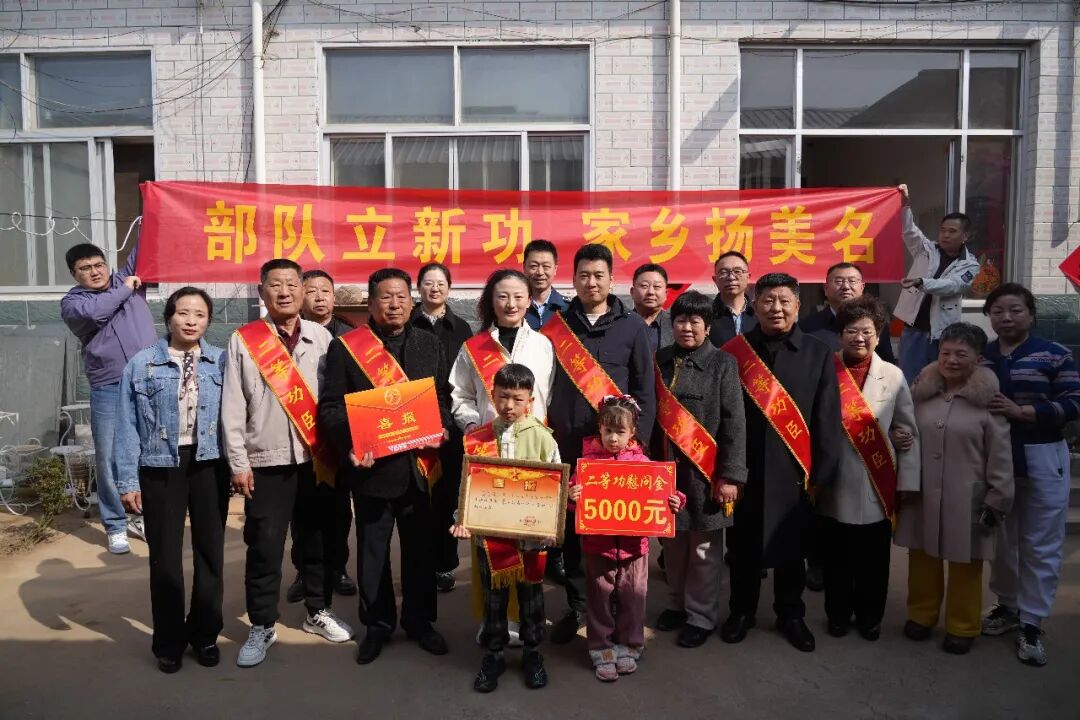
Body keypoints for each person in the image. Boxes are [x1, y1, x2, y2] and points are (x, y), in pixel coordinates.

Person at [318, 268, 453, 665]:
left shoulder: (429, 344)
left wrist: (442, 428)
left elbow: (441, 397)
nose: (394, 304)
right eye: (385, 297)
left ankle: (419, 621)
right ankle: (377, 625)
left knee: (420, 552)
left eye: (401, 297)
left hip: (419, 468)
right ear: (371, 303)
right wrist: (352, 444)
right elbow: (331, 407)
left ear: (411, 301)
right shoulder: (346, 348)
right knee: (373, 553)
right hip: (372, 470)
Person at [222, 259, 351, 668]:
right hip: (266, 461)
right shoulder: (245, 341)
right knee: (264, 545)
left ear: (302, 290)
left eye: (292, 284)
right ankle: (262, 624)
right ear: (262, 291)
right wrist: (238, 462)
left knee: (317, 542)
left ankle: (317, 610)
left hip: (317, 460)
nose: (285, 292)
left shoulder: (322, 337)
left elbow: (335, 399)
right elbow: (232, 406)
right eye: (275, 285)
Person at [719, 273, 841, 653]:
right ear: (754, 306)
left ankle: (791, 614)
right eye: (768, 300)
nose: (776, 308)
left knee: (793, 550)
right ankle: (741, 611)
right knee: (742, 548)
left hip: (795, 472)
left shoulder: (818, 352)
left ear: (798, 306)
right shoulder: (734, 351)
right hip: (746, 469)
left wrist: (823, 474)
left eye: (784, 301)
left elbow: (826, 417)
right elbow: (722, 416)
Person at [544, 243, 657, 644]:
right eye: (584, 275)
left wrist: (638, 446)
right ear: (573, 279)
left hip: (615, 451)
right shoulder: (556, 326)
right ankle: (579, 606)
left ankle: (621, 608)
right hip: (568, 446)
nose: (591, 282)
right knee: (575, 530)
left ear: (612, 279)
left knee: (618, 532)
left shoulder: (632, 327)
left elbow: (645, 389)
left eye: (599, 275)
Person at [114, 287, 229, 673]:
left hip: (209, 463)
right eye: (183, 313)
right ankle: (168, 641)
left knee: (210, 553)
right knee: (165, 558)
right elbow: (126, 425)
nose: (191, 321)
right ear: (169, 318)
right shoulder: (142, 363)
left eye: (200, 314)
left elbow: (236, 416)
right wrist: (128, 480)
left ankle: (205, 635)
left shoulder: (221, 361)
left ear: (208, 321)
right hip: (160, 465)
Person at [896, 322, 1013, 655]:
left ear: (977, 358)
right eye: (945, 352)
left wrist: (998, 498)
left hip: (968, 497)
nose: (951, 360)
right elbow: (903, 428)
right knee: (921, 558)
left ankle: (962, 626)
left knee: (966, 563)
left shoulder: (989, 401)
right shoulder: (920, 393)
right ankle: (921, 615)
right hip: (921, 493)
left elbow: (1000, 455)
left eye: (961, 354)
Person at [979, 284, 1080, 666]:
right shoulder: (983, 356)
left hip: (1042, 454)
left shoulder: (1055, 354)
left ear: (1031, 314)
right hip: (995, 458)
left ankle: (1032, 621)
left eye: (1015, 310)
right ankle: (1007, 606)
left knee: (1041, 542)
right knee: (1001, 541)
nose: (1006, 317)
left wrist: (1025, 413)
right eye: (998, 311)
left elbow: (1074, 402)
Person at [816, 295, 920, 643]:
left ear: (878, 335)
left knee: (874, 560)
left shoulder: (893, 375)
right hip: (834, 483)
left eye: (867, 332)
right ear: (840, 334)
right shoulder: (824, 370)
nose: (859, 338)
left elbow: (907, 429)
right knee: (836, 558)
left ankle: (870, 617)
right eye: (851, 331)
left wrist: (907, 482)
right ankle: (838, 614)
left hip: (877, 481)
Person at [449, 363, 559, 693]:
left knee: (532, 599)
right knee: (494, 600)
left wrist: (551, 525)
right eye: (502, 397)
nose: (509, 405)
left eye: (517, 399)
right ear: (492, 396)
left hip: (530, 538)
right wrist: (462, 519)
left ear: (530, 401)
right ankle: (494, 654)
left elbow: (555, 483)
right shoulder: (479, 438)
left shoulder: (542, 437)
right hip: (491, 536)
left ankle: (532, 653)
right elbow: (468, 482)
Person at [653, 290, 747, 648]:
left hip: (706, 474)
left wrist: (731, 476)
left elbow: (734, 423)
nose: (687, 327)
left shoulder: (723, 364)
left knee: (705, 552)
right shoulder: (660, 359)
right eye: (680, 320)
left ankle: (701, 616)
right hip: (666, 472)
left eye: (695, 321)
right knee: (673, 548)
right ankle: (677, 604)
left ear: (708, 327)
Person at [567, 396, 684, 681]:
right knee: (599, 597)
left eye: (620, 432)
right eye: (608, 431)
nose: (613, 438)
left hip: (635, 547)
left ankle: (630, 644)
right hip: (598, 546)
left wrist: (676, 501)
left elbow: (664, 492)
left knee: (633, 597)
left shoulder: (643, 464)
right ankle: (601, 647)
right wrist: (571, 496)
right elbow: (573, 503)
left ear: (632, 433)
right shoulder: (587, 465)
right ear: (599, 428)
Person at [61, 242, 156, 554]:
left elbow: (148, 244)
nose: (95, 272)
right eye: (85, 268)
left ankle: (141, 515)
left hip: (149, 380)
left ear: (107, 263)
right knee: (109, 456)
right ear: (74, 275)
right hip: (108, 386)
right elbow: (97, 312)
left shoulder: (129, 277)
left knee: (149, 451)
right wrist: (127, 288)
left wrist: (151, 212)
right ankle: (115, 524)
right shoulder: (73, 303)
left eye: (99, 264)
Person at [284, 269, 357, 604]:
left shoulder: (351, 336)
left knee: (339, 508)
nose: (319, 297)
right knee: (302, 510)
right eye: (311, 290)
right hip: (301, 434)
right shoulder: (286, 336)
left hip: (338, 437)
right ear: (301, 295)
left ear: (334, 296)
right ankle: (304, 571)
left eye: (325, 291)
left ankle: (338, 568)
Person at [410, 262, 474, 594]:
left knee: (448, 495)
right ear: (419, 287)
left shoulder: (461, 328)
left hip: (452, 426)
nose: (434, 288)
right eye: (428, 283)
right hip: (412, 425)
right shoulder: (407, 323)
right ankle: (419, 564)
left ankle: (445, 564)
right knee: (418, 498)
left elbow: (467, 381)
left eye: (440, 283)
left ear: (449, 288)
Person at [894, 184, 981, 383]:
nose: (946, 235)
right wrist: (904, 205)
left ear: (965, 236)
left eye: (952, 231)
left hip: (942, 333)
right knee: (908, 379)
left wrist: (921, 282)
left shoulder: (971, 265)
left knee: (941, 380)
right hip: (914, 328)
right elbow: (909, 231)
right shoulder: (926, 249)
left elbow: (952, 285)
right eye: (943, 230)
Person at [799, 262, 897, 364]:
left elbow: (886, 363)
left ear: (862, 287)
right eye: (838, 281)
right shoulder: (807, 326)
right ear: (826, 288)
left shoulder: (876, 323)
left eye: (852, 281)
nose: (845, 286)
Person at [708, 251, 757, 348]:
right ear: (715, 279)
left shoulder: (760, 313)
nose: (731, 277)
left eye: (737, 271)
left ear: (748, 277)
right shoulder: (705, 314)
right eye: (723, 272)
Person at [523, 239, 569, 329]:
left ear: (555, 269)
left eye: (546, 266)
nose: (540, 272)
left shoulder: (569, 309)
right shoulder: (515, 308)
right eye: (534, 266)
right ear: (524, 267)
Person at [629, 263, 673, 352]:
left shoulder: (675, 324)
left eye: (657, 287)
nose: (651, 292)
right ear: (632, 292)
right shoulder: (618, 323)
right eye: (644, 286)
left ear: (666, 294)